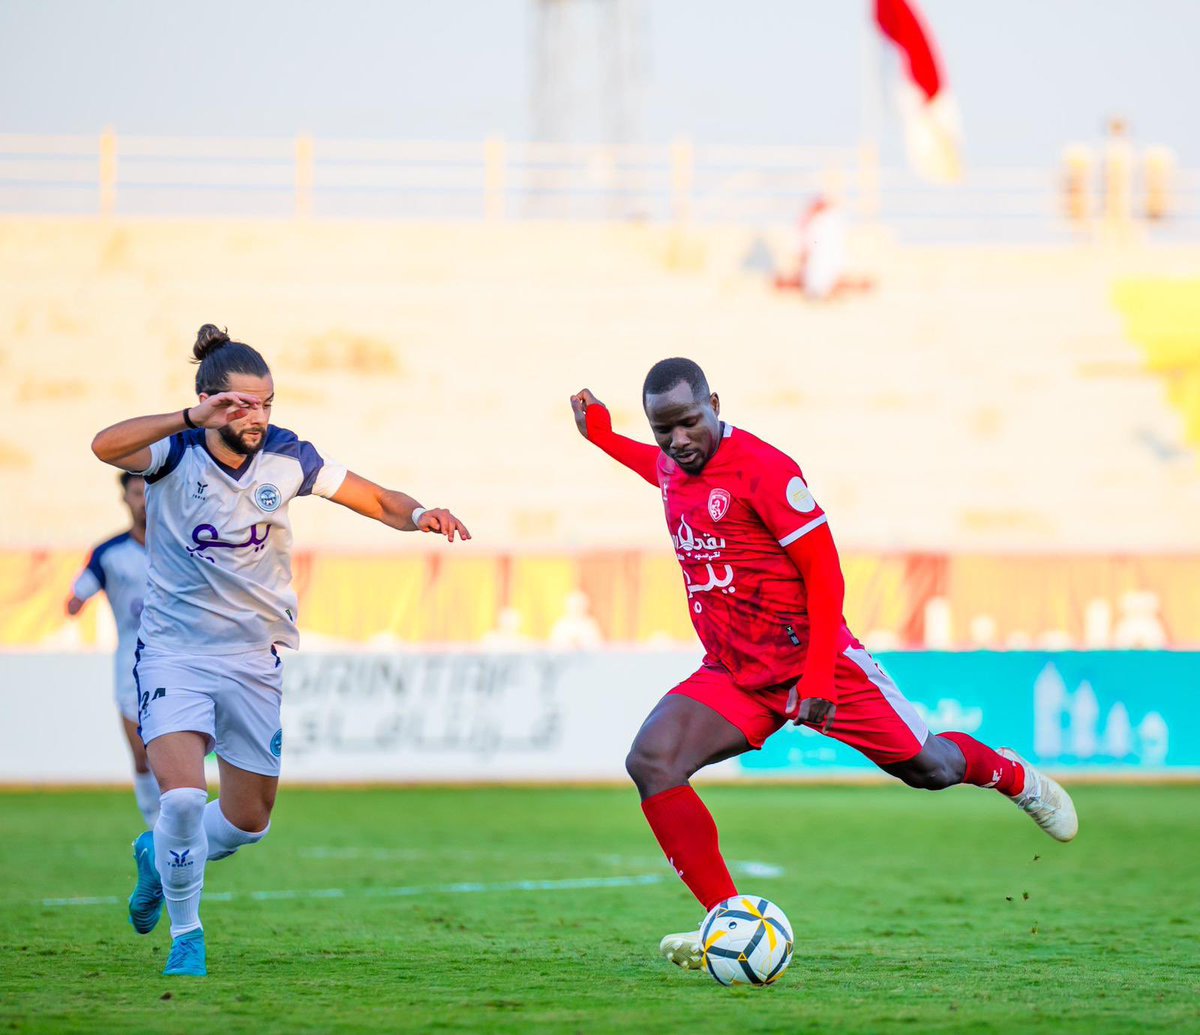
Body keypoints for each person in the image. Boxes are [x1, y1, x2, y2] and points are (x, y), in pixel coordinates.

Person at [569, 358, 1077, 971]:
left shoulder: (765, 469)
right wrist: (603, 437)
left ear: (715, 406)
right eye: (663, 429)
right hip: (736, 671)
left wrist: (815, 676)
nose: (677, 441)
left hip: (818, 661)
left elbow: (824, 572)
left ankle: (1013, 776)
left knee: (931, 769)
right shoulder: (675, 465)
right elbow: (653, 466)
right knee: (653, 761)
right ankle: (730, 921)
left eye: (688, 422)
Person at [91, 324, 471, 978]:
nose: (257, 416)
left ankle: (156, 855)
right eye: (241, 404)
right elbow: (104, 446)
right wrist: (186, 419)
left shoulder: (289, 456)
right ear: (209, 401)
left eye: (266, 403)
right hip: (175, 654)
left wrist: (417, 515)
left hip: (253, 659)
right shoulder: (174, 452)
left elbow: (377, 497)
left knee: (248, 820)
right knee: (181, 801)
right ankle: (187, 937)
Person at [66, 473, 159, 828]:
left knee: (174, 754)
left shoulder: (182, 548)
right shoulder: (109, 553)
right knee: (142, 756)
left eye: (148, 493)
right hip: (131, 665)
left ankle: (178, 828)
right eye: (136, 493)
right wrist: (75, 603)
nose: (143, 501)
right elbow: (76, 598)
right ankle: (155, 826)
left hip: (179, 661)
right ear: (125, 499)